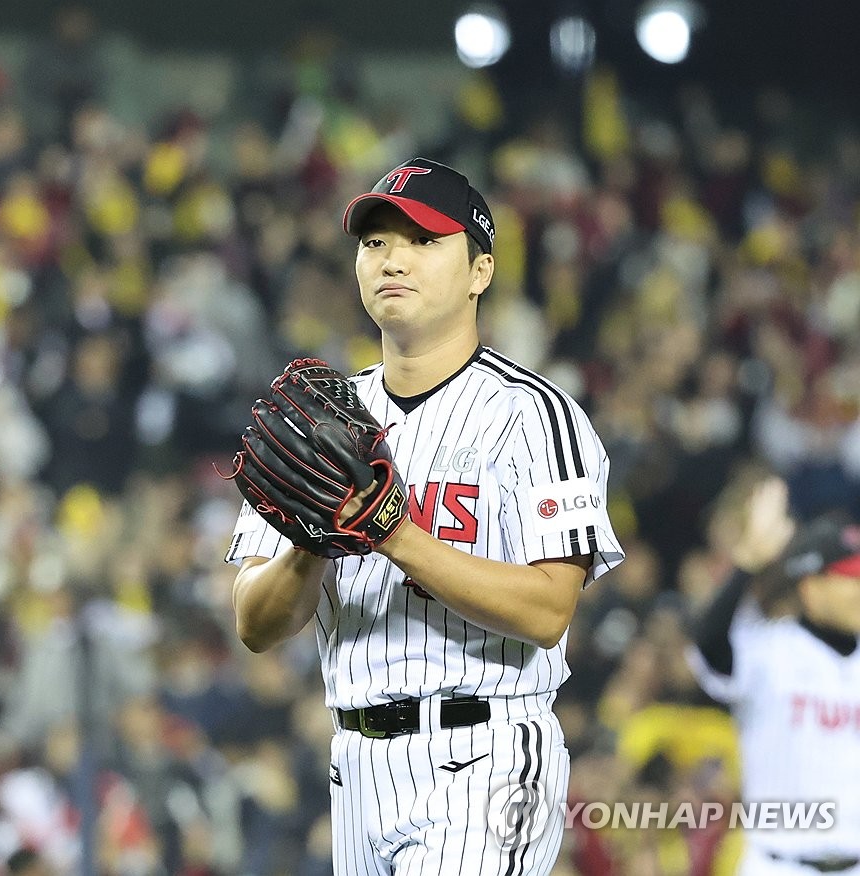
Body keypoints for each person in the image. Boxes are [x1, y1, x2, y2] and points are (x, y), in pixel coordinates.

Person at [224, 157, 625, 874]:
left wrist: (395, 534)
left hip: (487, 754)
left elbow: (547, 610)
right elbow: (255, 624)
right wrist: (313, 542)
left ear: (480, 272)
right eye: (375, 242)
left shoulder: (534, 416)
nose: (391, 259)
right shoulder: (320, 418)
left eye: (423, 240)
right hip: (355, 766)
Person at [688, 477, 860, 875]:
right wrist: (747, 562)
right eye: (849, 578)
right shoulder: (770, 650)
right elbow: (709, 644)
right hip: (780, 864)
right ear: (811, 586)